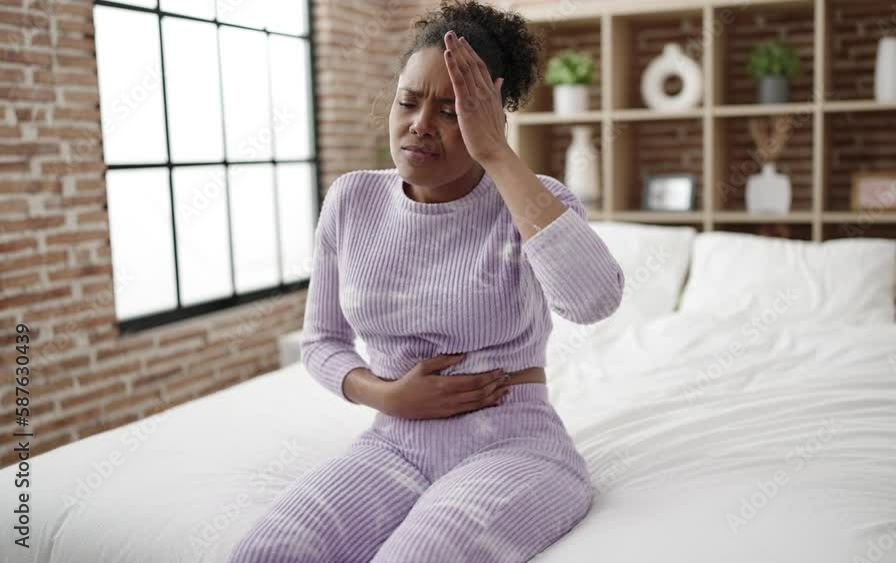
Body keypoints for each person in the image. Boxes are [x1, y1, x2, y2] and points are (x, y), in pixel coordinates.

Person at [227, 1, 624, 561]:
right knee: (264, 553)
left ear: (491, 116)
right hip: (392, 445)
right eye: (408, 102)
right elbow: (321, 343)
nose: (419, 124)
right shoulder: (352, 199)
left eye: (451, 111)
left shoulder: (537, 200)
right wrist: (387, 395)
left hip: (515, 448)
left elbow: (594, 300)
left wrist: (497, 155)